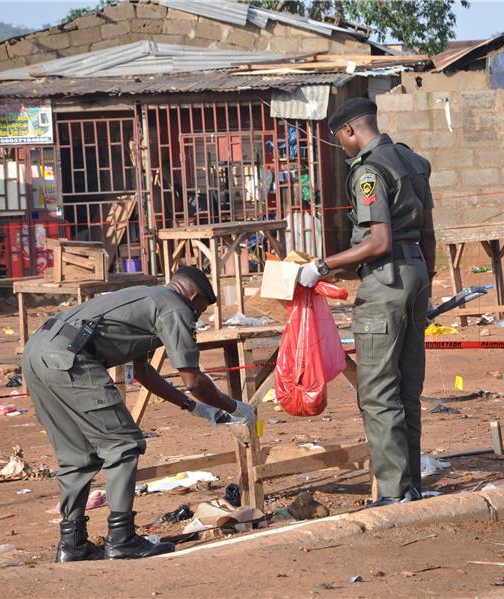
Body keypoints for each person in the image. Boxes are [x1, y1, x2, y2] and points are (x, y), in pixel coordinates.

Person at [22, 266, 256, 562]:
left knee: (77, 456)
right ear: (194, 297)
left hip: (36, 354)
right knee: (122, 445)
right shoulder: (176, 309)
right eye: (201, 309)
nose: (199, 317)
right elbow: (193, 380)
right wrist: (234, 407)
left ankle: (72, 544)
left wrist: (196, 408)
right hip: (72, 358)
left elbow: (144, 374)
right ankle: (122, 540)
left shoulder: (147, 298)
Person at [297, 97, 436, 507]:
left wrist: (322, 265)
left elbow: (378, 241)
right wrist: (423, 286)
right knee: (408, 389)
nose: (342, 149)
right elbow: (428, 235)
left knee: (378, 391)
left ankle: (394, 492)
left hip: (386, 281)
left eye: (340, 140)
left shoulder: (369, 171)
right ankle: (411, 486)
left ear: (350, 131)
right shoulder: (412, 161)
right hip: (416, 274)